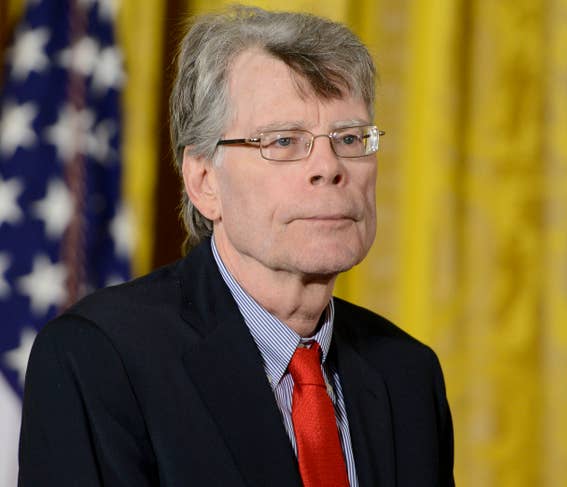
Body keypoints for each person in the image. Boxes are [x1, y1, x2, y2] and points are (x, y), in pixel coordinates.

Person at [18, 5, 454, 486]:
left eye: (350, 138)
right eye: (285, 141)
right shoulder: (99, 360)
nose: (330, 167)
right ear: (204, 181)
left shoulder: (408, 374)